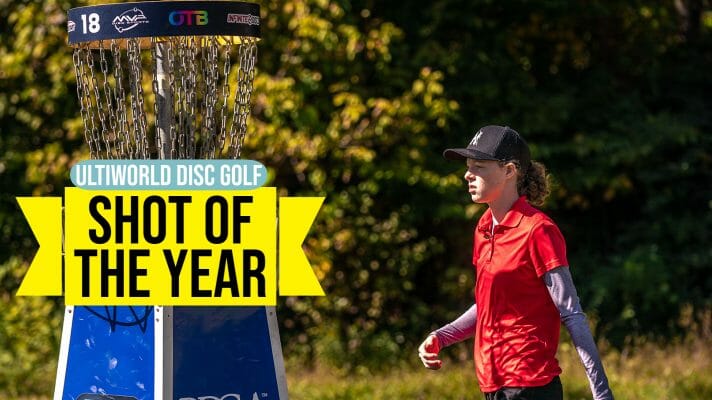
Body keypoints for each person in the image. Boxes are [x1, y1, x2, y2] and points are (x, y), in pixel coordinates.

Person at [418, 125, 614, 400]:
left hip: (529, 386)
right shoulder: (484, 228)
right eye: (467, 166)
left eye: (479, 166)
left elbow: (571, 312)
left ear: (509, 170)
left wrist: (602, 393)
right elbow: (487, 304)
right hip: (491, 384)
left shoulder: (538, 230)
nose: (467, 174)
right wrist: (442, 336)